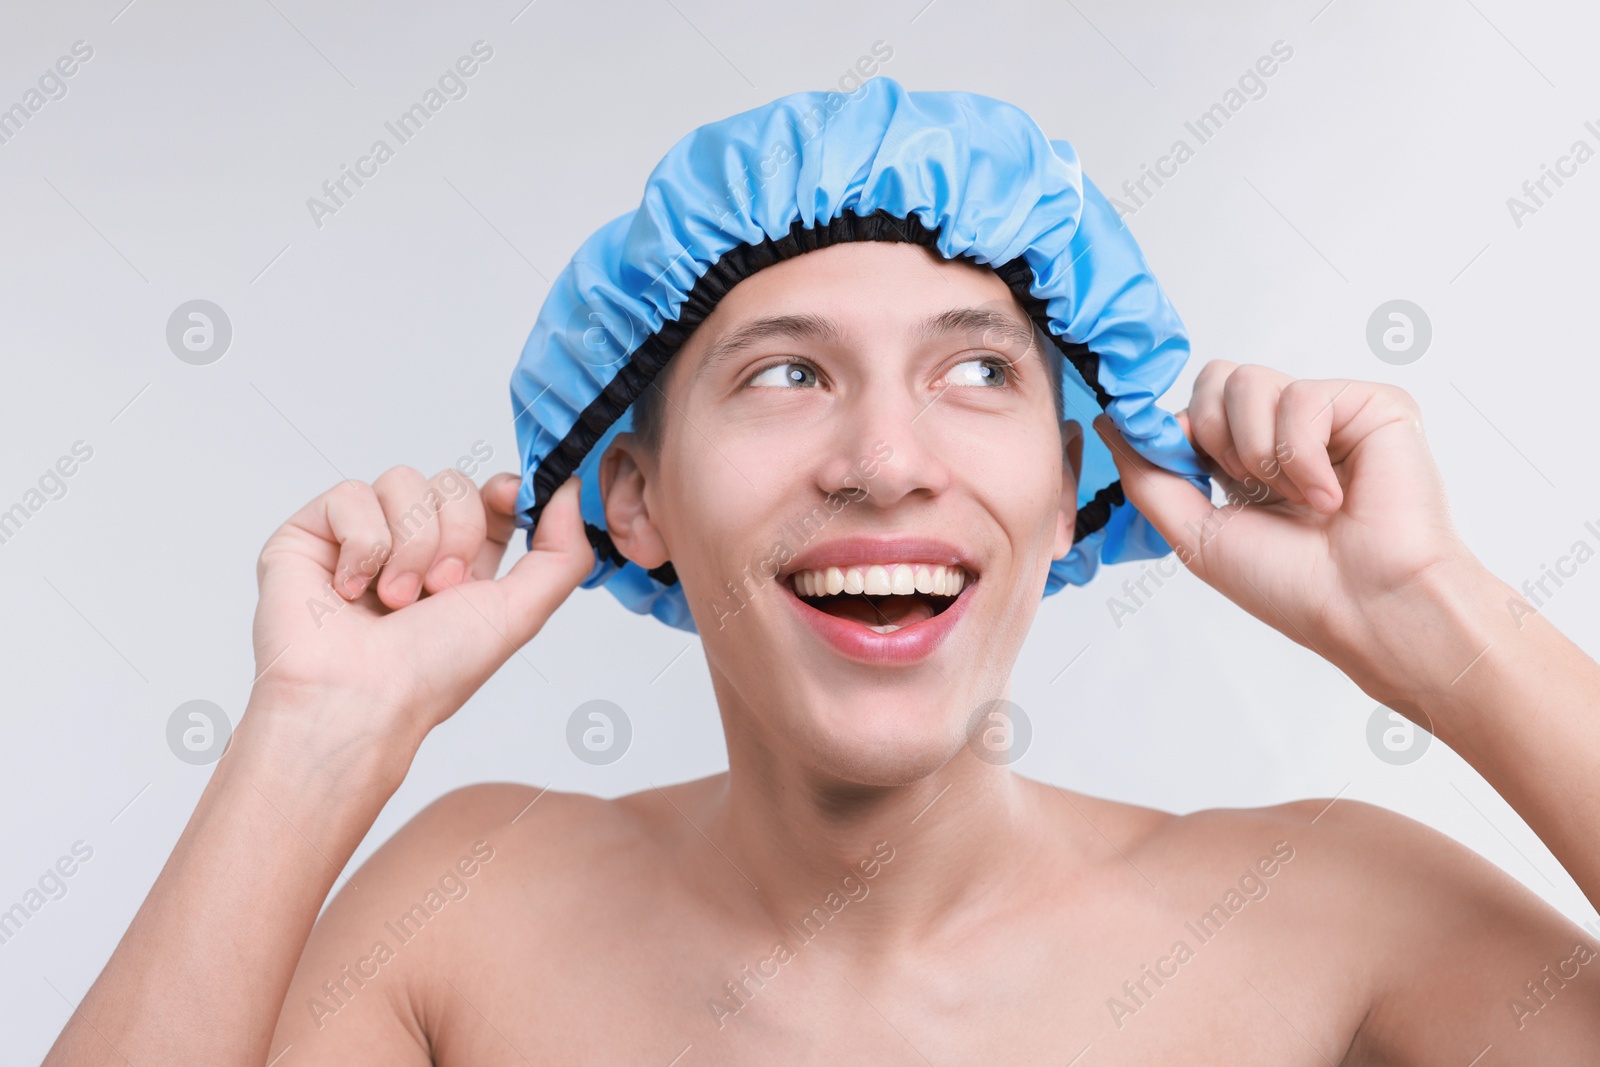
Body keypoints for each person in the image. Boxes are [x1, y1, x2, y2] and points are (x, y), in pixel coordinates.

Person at [47, 80, 1600, 1065]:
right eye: (785, 375)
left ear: (1077, 486)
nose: (884, 457)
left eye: (979, 373)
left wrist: (1438, 625)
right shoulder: (467, 922)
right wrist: (312, 742)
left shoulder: (1328, 920)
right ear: (634, 499)